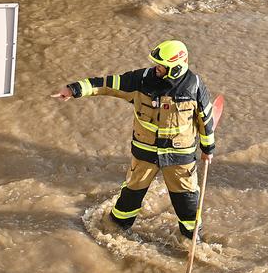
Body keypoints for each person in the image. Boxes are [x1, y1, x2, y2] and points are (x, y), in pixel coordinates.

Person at [53, 40, 219, 239]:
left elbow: (206, 120)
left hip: (180, 156)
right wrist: (74, 90)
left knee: (187, 201)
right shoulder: (141, 80)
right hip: (145, 152)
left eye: (161, 66)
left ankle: (192, 238)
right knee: (131, 195)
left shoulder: (195, 87)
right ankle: (114, 230)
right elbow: (106, 84)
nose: (156, 68)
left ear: (175, 68)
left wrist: (208, 149)